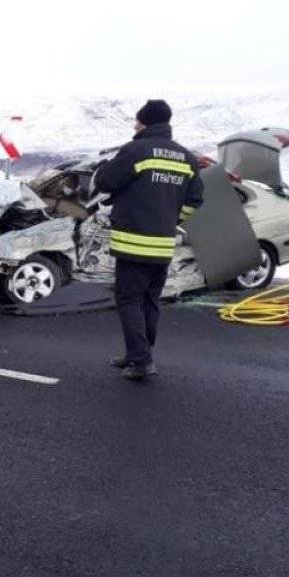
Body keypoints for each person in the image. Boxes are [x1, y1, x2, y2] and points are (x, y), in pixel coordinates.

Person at [93, 99, 204, 381]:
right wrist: (172, 220)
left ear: (145, 122)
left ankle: (141, 360)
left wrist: (109, 164)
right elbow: (194, 201)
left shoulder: (136, 150)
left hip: (132, 243)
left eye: (137, 121)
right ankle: (138, 353)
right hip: (163, 244)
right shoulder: (187, 158)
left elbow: (105, 182)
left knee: (129, 300)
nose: (134, 125)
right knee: (150, 301)